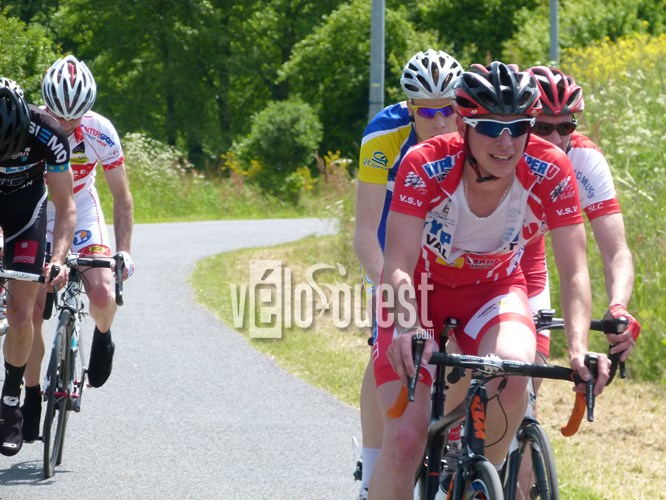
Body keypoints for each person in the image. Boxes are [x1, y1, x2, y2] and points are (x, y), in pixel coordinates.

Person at [368, 62, 611, 499]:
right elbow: (398, 262)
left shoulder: (550, 168)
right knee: (405, 440)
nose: (506, 142)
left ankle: (480, 480)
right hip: (417, 294)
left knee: (514, 373)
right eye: (490, 128)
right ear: (463, 125)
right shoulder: (425, 163)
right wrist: (407, 327)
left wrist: (578, 349)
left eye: (519, 128)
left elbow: (575, 270)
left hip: (493, 291)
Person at [353, 48, 462, 499]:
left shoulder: (474, 134)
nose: (441, 121)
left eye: (449, 109)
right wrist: (391, 293)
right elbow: (365, 232)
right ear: (410, 107)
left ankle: (453, 443)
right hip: (389, 236)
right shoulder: (384, 135)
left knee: (457, 344)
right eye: (429, 112)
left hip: (445, 241)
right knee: (387, 344)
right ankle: (372, 471)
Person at [21, 55, 135, 442]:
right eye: (59, 115)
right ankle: (32, 394)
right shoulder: (29, 127)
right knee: (33, 309)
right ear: (45, 104)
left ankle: (103, 334)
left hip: (82, 210)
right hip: (38, 211)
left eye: (75, 117)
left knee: (102, 292)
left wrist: (124, 251)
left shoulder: (101, 131)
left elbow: (121, 196)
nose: (67, 125)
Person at [524, 66, 640, 367]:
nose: (555, 139)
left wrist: (618, 306)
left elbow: (616, 251)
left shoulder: (585, 160)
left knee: (530, 370)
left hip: (525, 257)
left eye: (565, 127)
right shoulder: (497, 151)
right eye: (542, 128)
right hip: (455, 261)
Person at [0, 80, 76, 456]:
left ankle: (11, 399)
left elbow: (66, 207)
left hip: (26, 215)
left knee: (22, 313)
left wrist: (58, 259)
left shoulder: (49, 133)